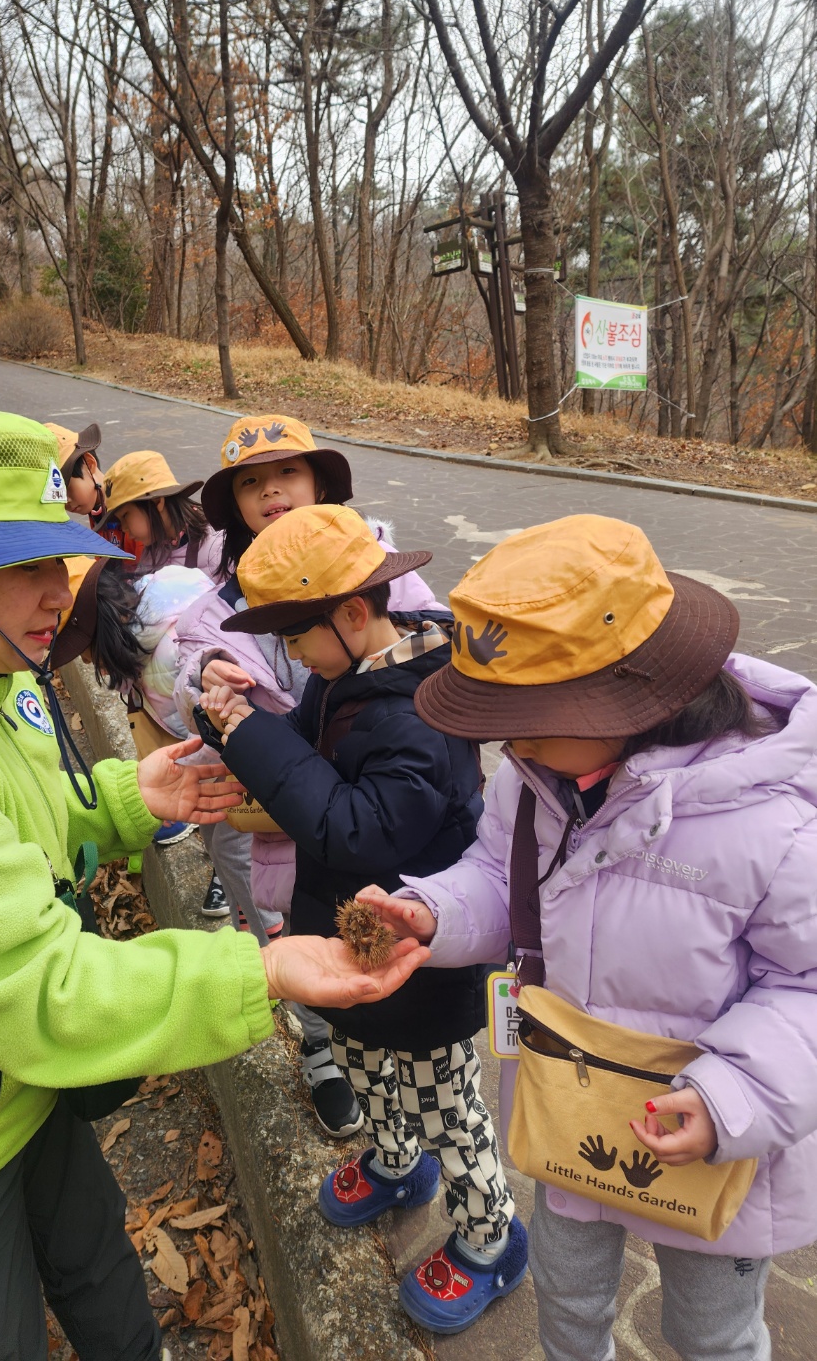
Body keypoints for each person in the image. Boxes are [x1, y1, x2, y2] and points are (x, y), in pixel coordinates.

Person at [0, 408, 430, 1361]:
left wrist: (124, 796)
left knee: (99, 1273)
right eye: (26, 564)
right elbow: (42, 990)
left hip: (8, 1080)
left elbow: (6, 818)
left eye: (60, 557)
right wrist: (264, 972)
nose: (58, 590)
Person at [359, 513, 817, 1360]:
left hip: (711, 1130)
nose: (507, 740)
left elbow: (808, 987)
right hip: (567, 1106)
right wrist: (432, 912)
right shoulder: (536, 780)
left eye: (527, 715)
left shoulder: (775, 825)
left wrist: (733, 1099)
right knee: (568, 1304)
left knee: (710, 1330)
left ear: (629, 694)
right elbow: (500, 878)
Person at [203, 504, 523, 1335]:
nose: (293, 656)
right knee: (364, 1064)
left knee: (447, 1105)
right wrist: (250, 718)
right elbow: (309, 756)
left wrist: (247, 735)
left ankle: (491, 1238)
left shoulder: (420, 711)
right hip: (348, 944)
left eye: (297, 637)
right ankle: (393, 1160)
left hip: (422, 962)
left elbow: (353, 824)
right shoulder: (345, 674)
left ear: (351, 616)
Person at [174, 414, 443, 1133]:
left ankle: (395, 1111)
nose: (272, 494)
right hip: (275, 823)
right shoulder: (223, 606)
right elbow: (190, 680)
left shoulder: (375, 571)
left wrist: (252, 731)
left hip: (377, 829)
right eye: (251, 485)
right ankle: (327, 1053)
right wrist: (205, 681)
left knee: (392, 982)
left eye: (286, 475)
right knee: (299, 943)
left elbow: (419, 647)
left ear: (321, 483)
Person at [53, 555, 211, 857]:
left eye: (83, 650)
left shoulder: (169, 652)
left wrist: (184, 775)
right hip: (191, 756)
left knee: (230, 846)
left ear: (101, 628)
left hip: (219, 769)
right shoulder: (139, 626)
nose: (86, 661)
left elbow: (208, 729)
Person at [97, 449, 224, 581]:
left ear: (157, 502)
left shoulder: (216, 549)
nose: (123, 528)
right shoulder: (152, 550)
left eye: (125, 516)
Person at [44, 420, 107, 528]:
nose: (65, 500)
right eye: (57, 494)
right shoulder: (96, 508)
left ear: (90, 464)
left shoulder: (129, 506)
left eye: (66, 488)